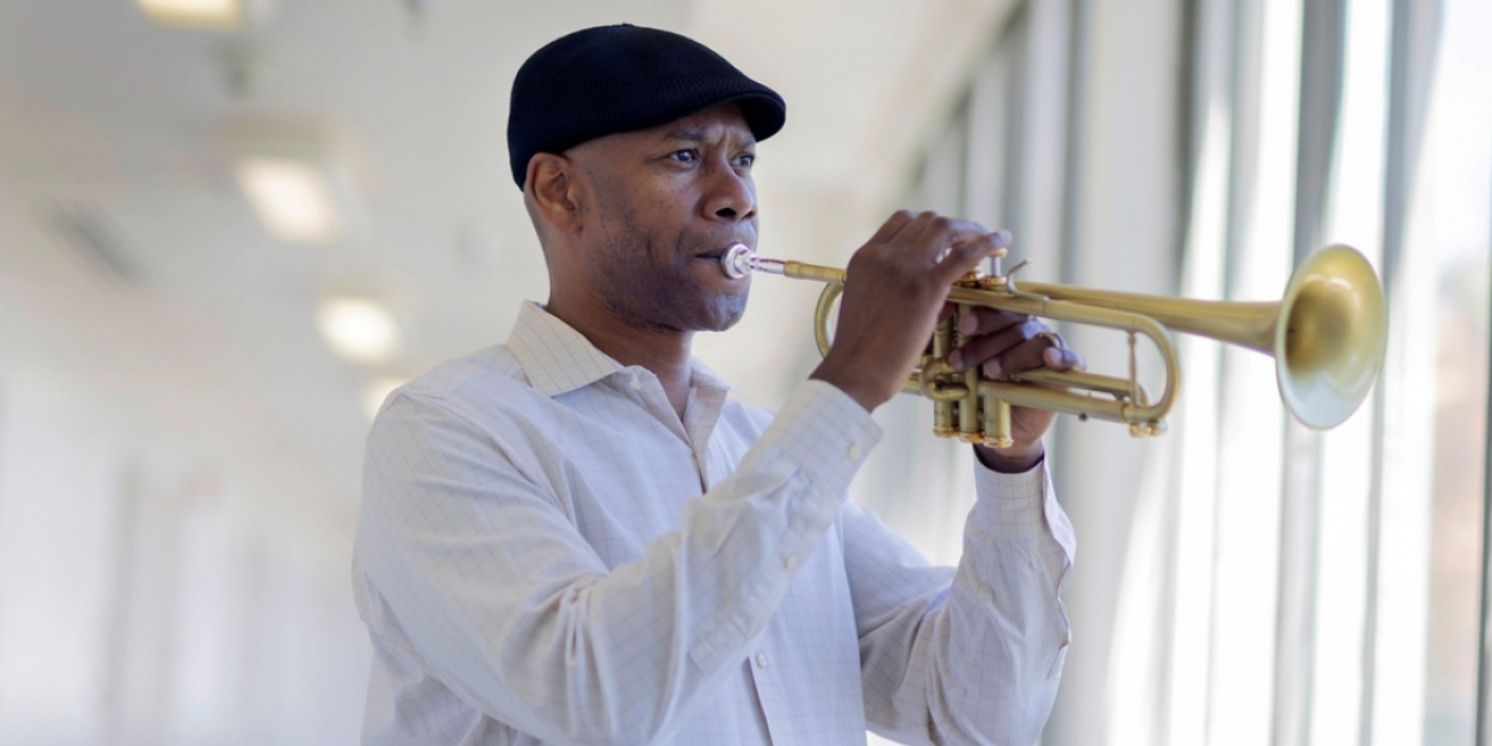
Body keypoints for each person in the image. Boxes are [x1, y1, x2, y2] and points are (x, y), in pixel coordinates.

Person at [353, 23, 1080, 746]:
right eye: (685, 156)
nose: (737, 198)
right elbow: (592, 694)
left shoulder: (762, 450)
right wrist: (853, 378)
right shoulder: (448, 428)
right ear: (561, 192)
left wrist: (1010, 465)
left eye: (744, 159)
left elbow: (979, 715)